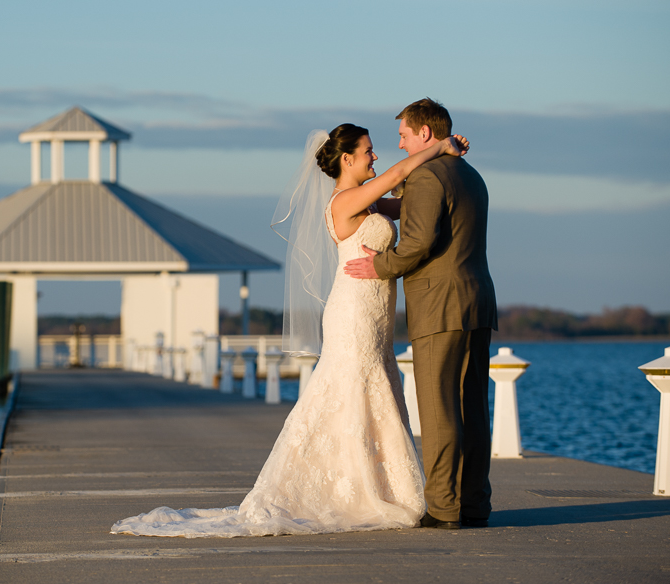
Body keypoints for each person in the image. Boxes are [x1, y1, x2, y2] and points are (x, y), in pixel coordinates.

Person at [111, 123, 468, 537]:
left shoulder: (370, 206)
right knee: (348, 390)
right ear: (347, 159)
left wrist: (443, 163)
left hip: (375, 313)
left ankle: (377, 485)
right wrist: (440, 145)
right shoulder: (345, 200)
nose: (376, 157)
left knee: (373, 390)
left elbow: (406, 203)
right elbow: (395, 179)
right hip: (352, 311)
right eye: (368, 151)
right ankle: (348, 489)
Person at [344, 98, 497, 530]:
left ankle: (444, 508)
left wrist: (380, 265)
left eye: (404, 135)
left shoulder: (428, 176)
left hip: (440, 305)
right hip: (478, 302)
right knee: (472, 408)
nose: (399, 144)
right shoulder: (472, 175)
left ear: (425, 134)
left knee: (439, 408)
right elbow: (419, 213)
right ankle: (474, 504)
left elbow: (418, 244)